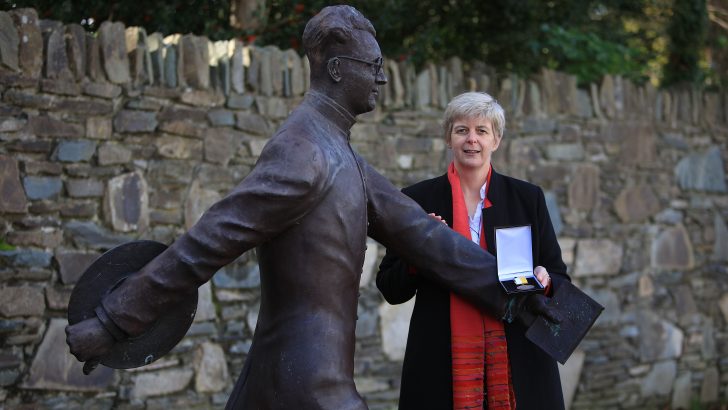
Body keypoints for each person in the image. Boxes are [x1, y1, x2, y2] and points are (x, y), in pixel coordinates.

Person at [65, 7, 551, 410]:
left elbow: (426, 238)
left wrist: (521, 290)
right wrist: (113, 319)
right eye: (373, 65)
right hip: (305, 385)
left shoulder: (342, 155)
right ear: (339, 69)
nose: (382, 76)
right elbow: (207, 242)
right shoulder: (304, 152)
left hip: (301, 379)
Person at [376, 92, 570, 410]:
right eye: (461, 130)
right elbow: (390, 288)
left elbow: (559, 275)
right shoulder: (416, 200)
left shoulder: (527, 198)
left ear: (496, 139)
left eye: (482, 130)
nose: (472, 140)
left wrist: (545, 280)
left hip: (519, 356)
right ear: (448, 138)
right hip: (440, 360)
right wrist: (418, 250)